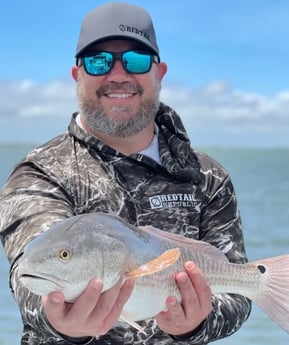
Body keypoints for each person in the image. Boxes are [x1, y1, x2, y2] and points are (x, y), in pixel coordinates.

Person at [0, 2, 251, 344]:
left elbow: (239, 289)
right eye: (98, 61)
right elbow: (29, 272)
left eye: (135, 60)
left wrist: (194, 324)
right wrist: (59, 319)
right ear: (78, 76)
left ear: (158, 73)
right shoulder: (39, 173)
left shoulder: (208, 176)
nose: (118, 75)